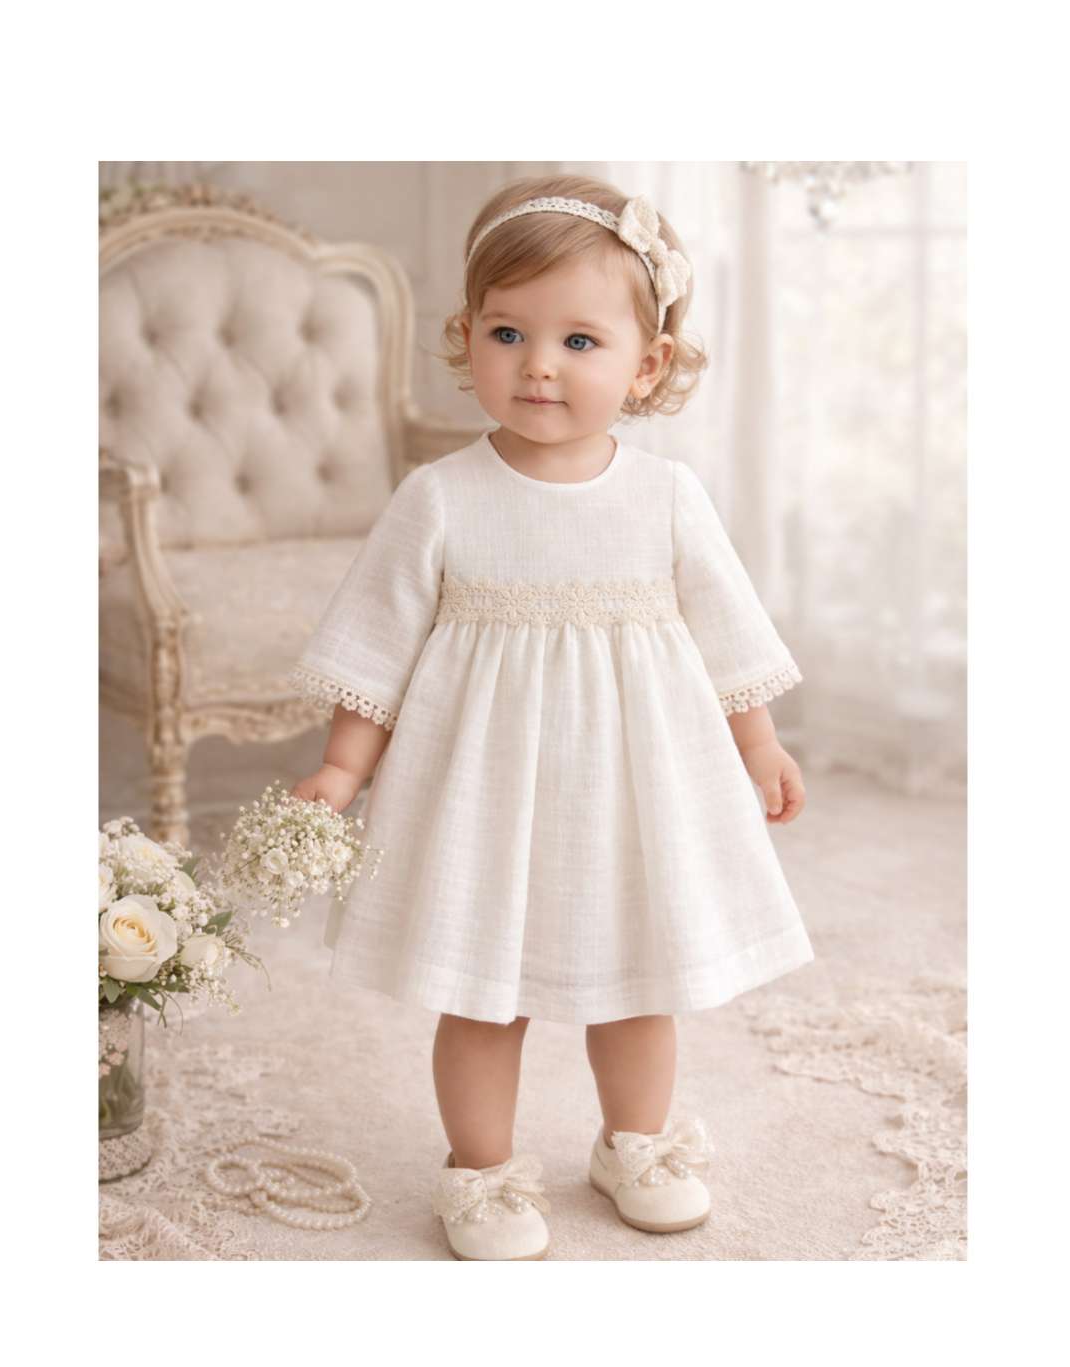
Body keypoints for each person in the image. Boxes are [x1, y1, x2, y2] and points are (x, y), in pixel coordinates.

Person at [289, 174, 814, 1262]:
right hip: (481, 797)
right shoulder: (440, 497)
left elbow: (725, 627)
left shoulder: (665, 497)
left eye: (579, 341)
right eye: (508, 333)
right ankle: (479, 1171)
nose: (538, 364)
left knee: (639, 984)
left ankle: (636, 1144)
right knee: (485, 994)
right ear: (467, 336)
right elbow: (378, 642)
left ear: (646, 364)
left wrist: (757, 742)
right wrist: (343, 768)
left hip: (633, 794)